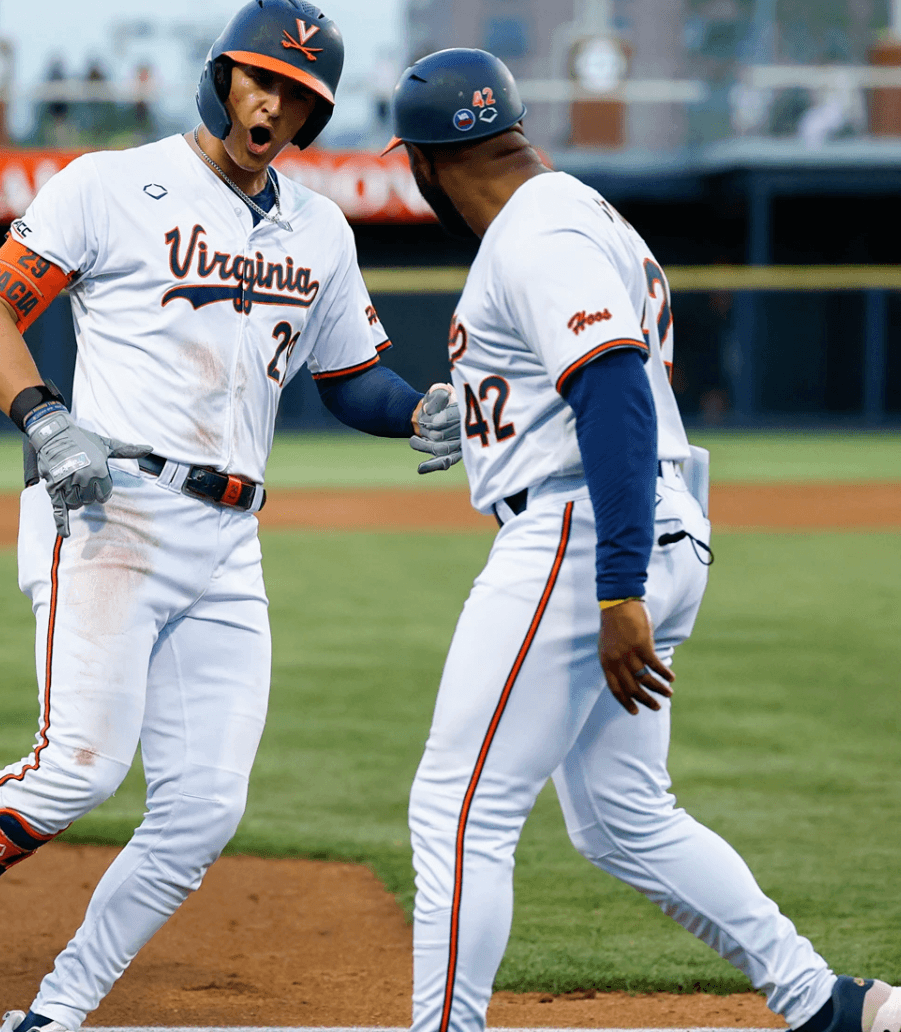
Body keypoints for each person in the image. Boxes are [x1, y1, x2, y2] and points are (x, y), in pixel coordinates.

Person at [0, 5, 460, 1032]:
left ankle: (57, 1011)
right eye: (259, 79)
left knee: (202, 812)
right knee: (77, 767)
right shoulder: (110, 185)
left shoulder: (319, 229)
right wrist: (44, 416)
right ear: (221, 75)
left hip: (230, 540)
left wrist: (422, 407)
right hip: (111, 510)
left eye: (298, 95)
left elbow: (352, 377)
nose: (272, 104)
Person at [380, 48, 901, 1032]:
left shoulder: (536, 231)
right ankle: (827, 1004)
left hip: (586, 533)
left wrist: (617, 587)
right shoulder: (575, 214)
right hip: (641, 520)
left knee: (455, 810)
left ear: (427, 161)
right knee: (624, 816)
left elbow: (614, 387)